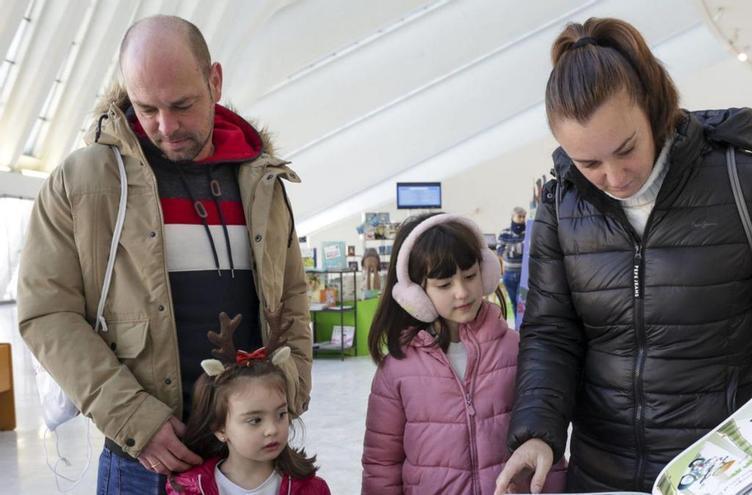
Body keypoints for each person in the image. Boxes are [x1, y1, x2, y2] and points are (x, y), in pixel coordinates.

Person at [495, 17, 752, 493]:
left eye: (626, 149)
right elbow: (552, 331)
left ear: (654, 108)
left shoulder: (748, 181)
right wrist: (537, 432)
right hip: (602, 471)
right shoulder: (563, 203)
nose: (615, 178)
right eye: (589, 162)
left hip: (722, 466)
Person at [17, 15, 313, 494]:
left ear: (214, 80)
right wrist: (134, 417)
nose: (166, 126)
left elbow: (292, 294)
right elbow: (47, 314)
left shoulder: (262, 181)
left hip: (253, 454)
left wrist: (291, 385)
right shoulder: (82, 183)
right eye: (147, 108)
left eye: (182, 105)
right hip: (144, 461)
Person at [361, 213, 565, 494]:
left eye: (470, 276)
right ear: (414, 294)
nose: (462, 292)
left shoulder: (516, 349)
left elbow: (543, 440)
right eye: (444, 285)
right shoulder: (397, 369)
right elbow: (381, 465)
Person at [166, 313, 329, 495]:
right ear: (220, 429)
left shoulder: (311, 488)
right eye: (255, 420)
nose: (272, 430)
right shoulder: (188, 489)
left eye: (281, 414)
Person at [496, 207, 527, 313]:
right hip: (508, 274)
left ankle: (522, 327)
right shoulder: (504, 232)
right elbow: (501, 252)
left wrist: (510, 248)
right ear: (513, 217)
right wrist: (520, 247)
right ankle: (517, 328)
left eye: (523, 217)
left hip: (524, 274)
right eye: (519, 217)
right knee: (514, 303)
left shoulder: (529, 232)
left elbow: (530, 250)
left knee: (521, 303)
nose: (522, 219)